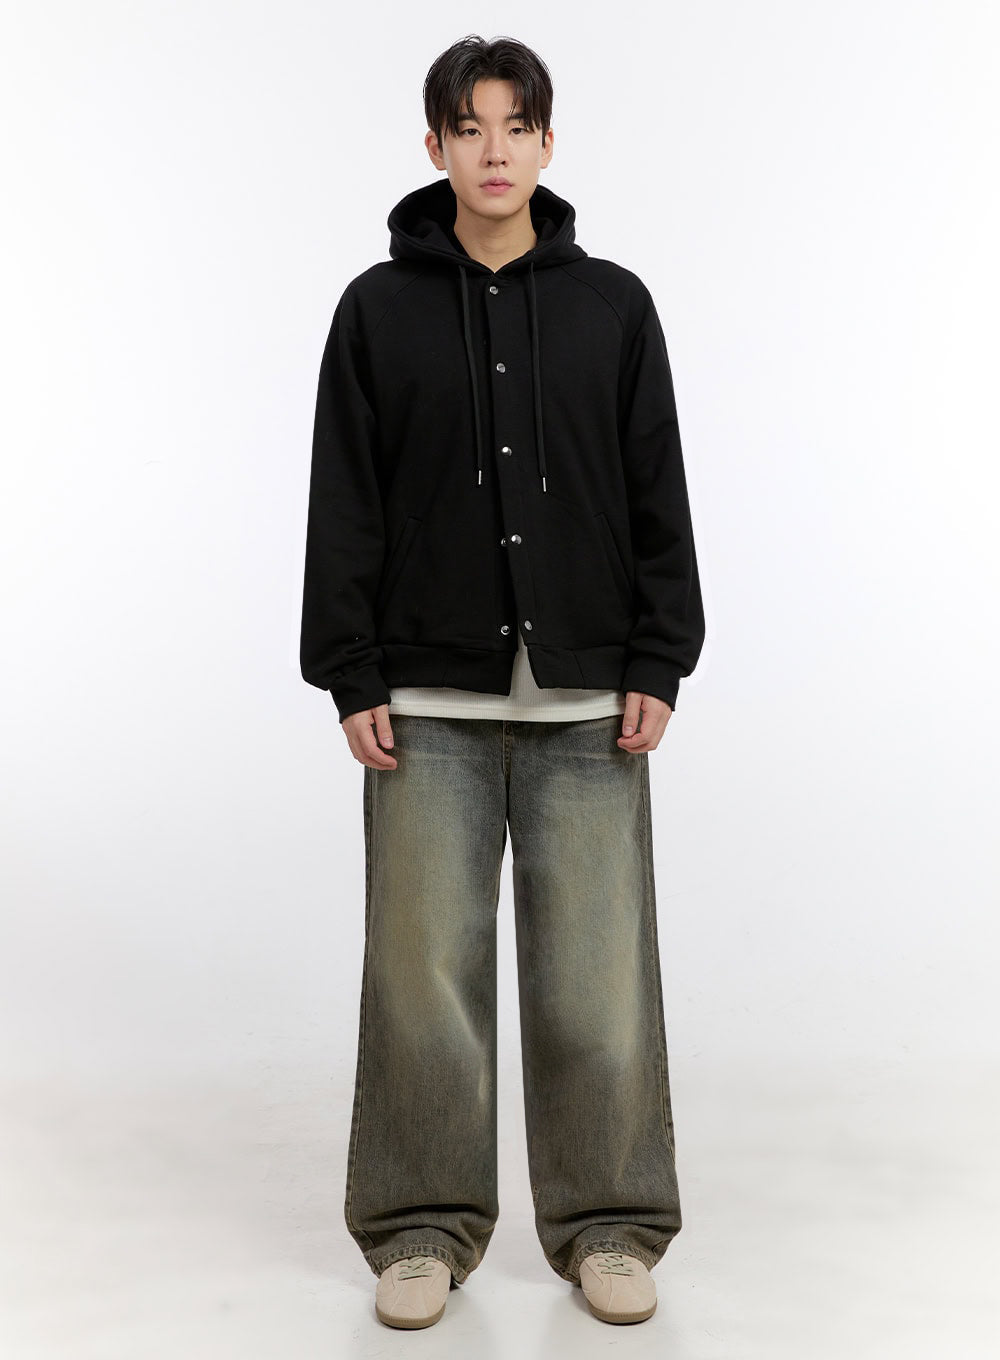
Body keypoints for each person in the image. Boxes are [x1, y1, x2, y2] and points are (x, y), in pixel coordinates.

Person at [300, 33, 705, 1330]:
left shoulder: (613, 306)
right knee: (424, 982)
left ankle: (609, 1225)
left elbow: (657, 487)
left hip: (590, 701)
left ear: (546, 141)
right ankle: (421, 1226)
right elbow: (345, 499)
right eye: (468, 128)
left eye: (515, 126)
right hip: (424, 704)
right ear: (434, 146)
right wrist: (349, 670)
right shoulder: (376, 309)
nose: (493, 150)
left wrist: (660, 653)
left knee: (597, 984)